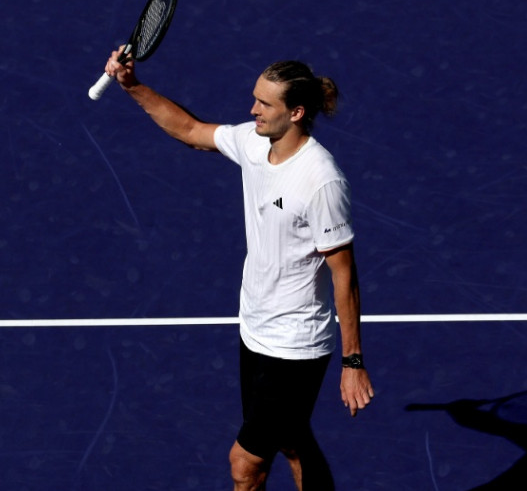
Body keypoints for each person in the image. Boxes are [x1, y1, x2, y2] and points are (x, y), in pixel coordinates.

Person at [102, 48, 374, 491]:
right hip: (256, 329)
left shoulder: (320, 179)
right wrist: (132, 86)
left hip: (296, 344)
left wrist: (353, 361)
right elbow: (191, 130)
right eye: (255, 99)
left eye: (265, 104)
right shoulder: (254, 142)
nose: (253, 110)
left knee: (244, 465)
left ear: (297, 112)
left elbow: (345, 273)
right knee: (289, 440)